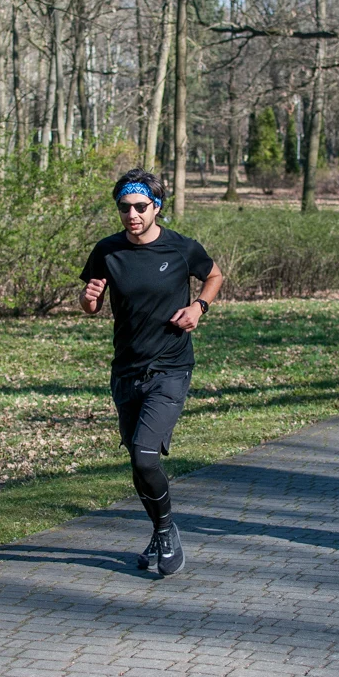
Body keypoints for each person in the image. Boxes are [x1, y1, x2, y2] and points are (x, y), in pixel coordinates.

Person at [80, 168, 223, 577]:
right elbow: (91, 306)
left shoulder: (179, 248)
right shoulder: (107, 251)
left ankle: (165, 530)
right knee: (137, 460)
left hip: (171, 366)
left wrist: (199, 307)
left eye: (141, 207)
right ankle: (161, 531)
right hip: (126, 369)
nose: (132, 215)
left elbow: (213, 275)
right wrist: (89, 300)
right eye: (125, 207)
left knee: (145, 456)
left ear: (156, 207)